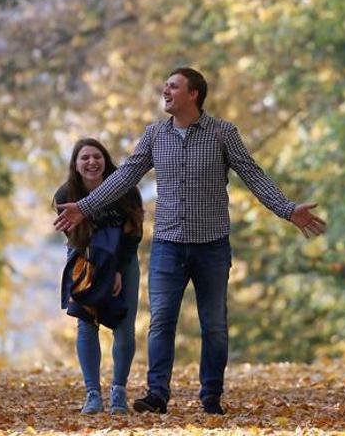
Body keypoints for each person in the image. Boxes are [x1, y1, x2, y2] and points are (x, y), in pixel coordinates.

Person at [53, 67, 326, 415]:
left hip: (211, 244)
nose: (165, 92)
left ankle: (210, 394)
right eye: (165, 87)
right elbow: (123, 177)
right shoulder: (155, 135)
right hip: (167, 244)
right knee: (161, 321)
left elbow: (253, 174)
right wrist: (85, 207)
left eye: (173, 87)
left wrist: (287, 210)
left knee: (214, 325)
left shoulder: (223, 133)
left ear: (193, 93)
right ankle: (157, 394)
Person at [53, 138, 144, 415]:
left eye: (97, 156)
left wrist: (116, 271)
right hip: (85, 260)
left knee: (124, 328)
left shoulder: (126, 190)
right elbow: (75, 237)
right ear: (76, 164)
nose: (92, 162)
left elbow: (135, 234)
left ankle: (119, 391)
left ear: (105, 160)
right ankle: (92, 394)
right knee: (86, 324)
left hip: (123, 261)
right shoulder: (65, 194)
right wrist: (98, 273)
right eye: (85, 158)